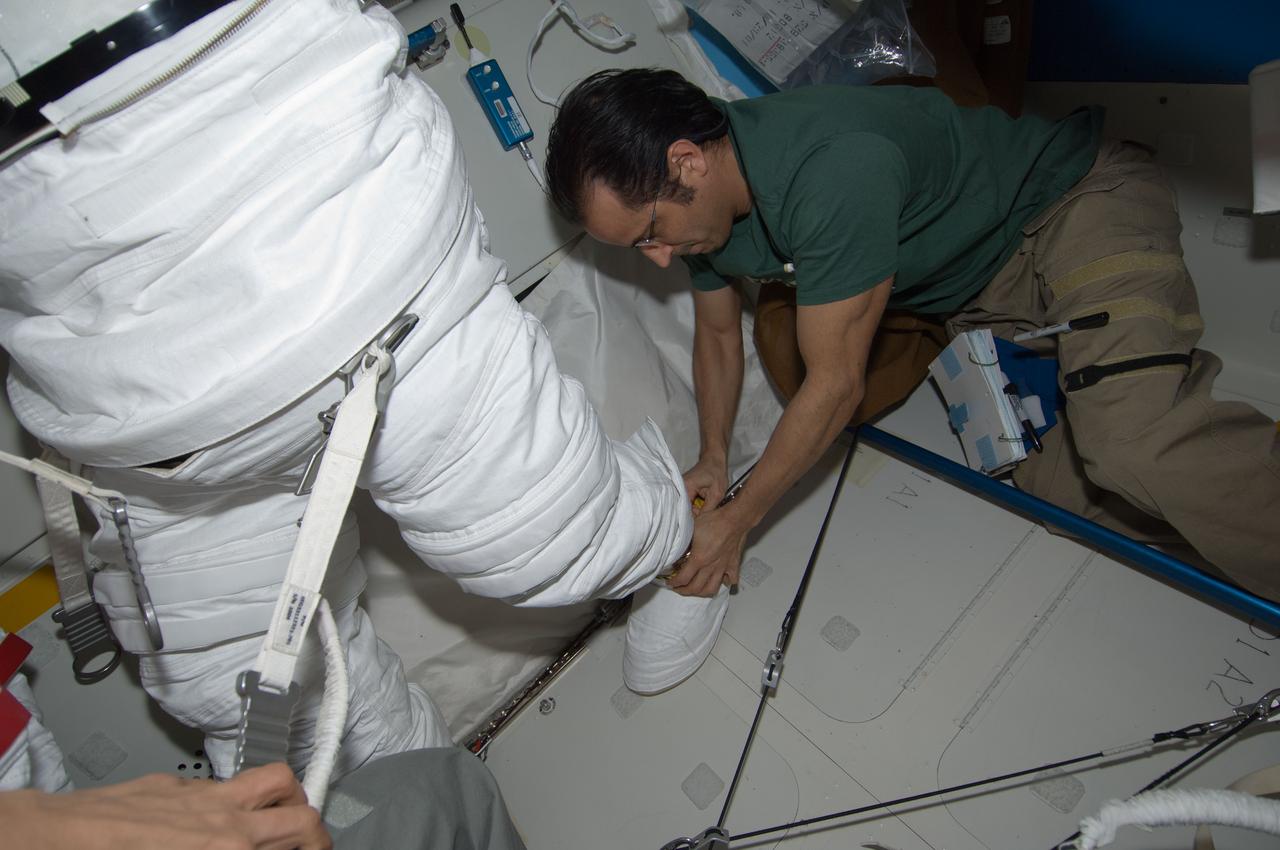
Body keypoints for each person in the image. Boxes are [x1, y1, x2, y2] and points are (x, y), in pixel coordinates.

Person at [0, 0, 692, 790]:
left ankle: (687, 552)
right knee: (247, 704)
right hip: (135, 402)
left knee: (565, 540)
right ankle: (423, 810)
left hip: (364, 265)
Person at [544, 67, 1280, 604]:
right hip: (991, 295)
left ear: (685, 161)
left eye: (652, 234)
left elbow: (836, 386)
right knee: (1061, 494)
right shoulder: (708, 218)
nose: (662, 258)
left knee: (1130, 444)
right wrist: (710, 458)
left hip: (1074, 209)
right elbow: (713, 335)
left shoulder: (828, 170)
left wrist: (737, 519)